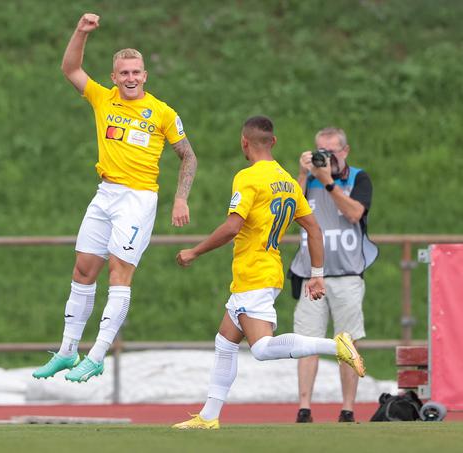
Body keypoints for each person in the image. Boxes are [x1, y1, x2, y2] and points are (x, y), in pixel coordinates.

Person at [32, 13, 197, 383]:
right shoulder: (103, 99)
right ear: (114, 78)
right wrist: (80, 31)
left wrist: (180, 198)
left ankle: (98, 354)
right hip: (105, 193)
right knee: (83, 270)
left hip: (138, 199)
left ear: (145, 75)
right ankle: (67, 351)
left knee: (119, 275)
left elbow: (188, 155)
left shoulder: (162, 112)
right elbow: (70, 68)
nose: (131, 78)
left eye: (136, 72)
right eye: (124, 73)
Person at [172, 116, 365, 430]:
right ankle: (208, 416)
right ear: (273, 142)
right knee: (225, 343)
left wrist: (194, 251)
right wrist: (317, 273)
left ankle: (336, 346)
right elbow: (313, 228)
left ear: (244, 142)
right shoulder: (289, 181)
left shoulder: (248, 178)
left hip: (254, 274)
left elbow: (233, 226)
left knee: (261, 349)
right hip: (265, 271)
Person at [288, 127, 377, 423]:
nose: (326, 158)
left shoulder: (358, 178)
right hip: (311, 273)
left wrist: (328, 183)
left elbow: (354, 213)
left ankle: (348, 408)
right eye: (320, 151)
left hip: (347, 274)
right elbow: (289, 214)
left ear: (345, 151)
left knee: (347, 343)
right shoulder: (308, 179)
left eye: (332, 151)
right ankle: (304, 408)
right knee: (306, 341)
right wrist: (303, 175)